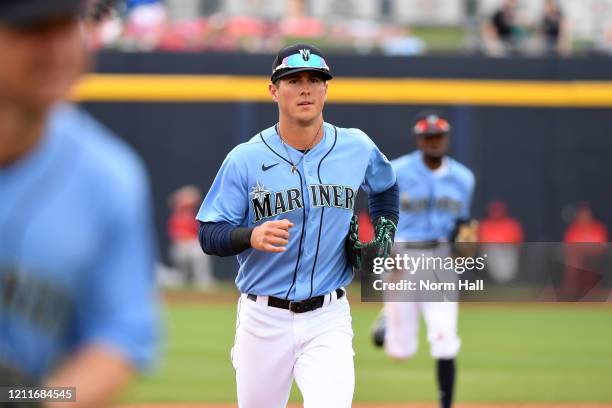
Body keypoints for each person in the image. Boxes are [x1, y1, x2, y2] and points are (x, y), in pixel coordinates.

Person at [197, 43, 398, 408]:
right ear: (274, 90)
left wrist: (385, 232)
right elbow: (209, 234)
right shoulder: (245, 159)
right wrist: (249, 235)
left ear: (326, 89)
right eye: (293, 80)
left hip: (329, 315)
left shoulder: (357, 147)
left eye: (315, 79)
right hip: (263, 317)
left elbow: (385, 186)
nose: (305, 88)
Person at [0, 0, 159, 406]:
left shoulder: (108, 178)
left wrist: (40, 401)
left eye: (68, 26)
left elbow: (117, 339)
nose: (57, 50)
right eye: (34, 29)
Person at [371, 110, 475, 408]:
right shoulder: (398, 171)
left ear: (446, 138)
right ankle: (387, 321)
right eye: (428, 136)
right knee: (400, 352)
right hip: (402, 254)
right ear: (419, 139)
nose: (433, 141)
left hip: (440, 258)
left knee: (445, 340)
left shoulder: (464, 178)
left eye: (438, 136)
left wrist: (465, 242)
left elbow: (463, 223)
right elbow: (379, 208)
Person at [167, 185, 215, 288]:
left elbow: (195, 195)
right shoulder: (176, 217)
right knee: (180, 279)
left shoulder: (194, 217)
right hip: (180, 248)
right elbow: (178, 237)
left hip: (192, 248)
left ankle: (203, 282)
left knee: (199, 251)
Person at [479, 200, 524, 283]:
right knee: (493, 253)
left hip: (507, 250)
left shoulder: (511, 224)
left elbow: (517, 241)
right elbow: (481, 243)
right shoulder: (485, 224)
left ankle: (508, 280)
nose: (497, 213)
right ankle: (496, 281)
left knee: (507, 260)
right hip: (491, 251)